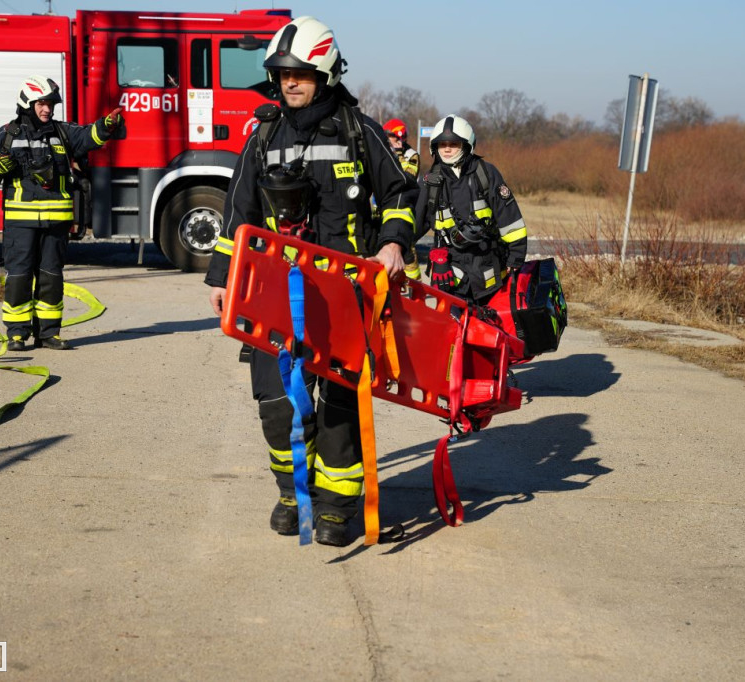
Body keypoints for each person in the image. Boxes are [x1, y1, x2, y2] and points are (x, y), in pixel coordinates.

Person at [204, 16, 419, 546]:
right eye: (283, 74)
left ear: (325, 74)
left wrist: (394, 242)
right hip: (277, 294)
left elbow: (401, 194)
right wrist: (222, 277)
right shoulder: (263, 136)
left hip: (345, 294)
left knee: (340, 406)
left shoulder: (358, 131)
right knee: (277, 403)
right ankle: (292, 494)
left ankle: (335, 509)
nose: (290, 83)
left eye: (300, 73)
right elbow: (238, 213)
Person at [0, 76, 123, 351]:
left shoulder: (62, 132)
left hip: (56, 223)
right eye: (41, 104)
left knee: (51, 278)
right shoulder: (7, 134)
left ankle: (48, 334)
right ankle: (17, 334)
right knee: (19, 278)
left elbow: (88, 136)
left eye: (51, 104)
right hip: (20, 224)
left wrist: (106, 125)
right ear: (27, 104)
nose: (47, 109)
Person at [415, 114, 527, 304]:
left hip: (488, 267)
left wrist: (515, 258)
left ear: (466, 145)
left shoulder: (485, 173)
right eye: (442, 144)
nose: (447, 149)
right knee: (451, 321)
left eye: (453, 144)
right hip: (448, 273)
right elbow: (416, 222)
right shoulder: (430, 181)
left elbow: (509, 218)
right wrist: (393, 245)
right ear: (434, 147)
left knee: (489, 320)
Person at [383, 118, 423, 280]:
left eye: (402, 137)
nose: (398, 140)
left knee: (407, 252)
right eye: (392, 136)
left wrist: (398, 154)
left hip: (403, 208)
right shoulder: (381, 150)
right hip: (381, 208)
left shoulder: (411, 155)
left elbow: (407, 178)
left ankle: (414, 285)